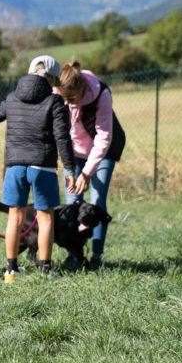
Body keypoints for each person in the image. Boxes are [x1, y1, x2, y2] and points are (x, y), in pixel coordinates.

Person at [0, 55, 76, 282]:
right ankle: (45, 268)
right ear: (52, 78)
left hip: (15, 167)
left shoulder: (12, 98)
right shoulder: (54, 103)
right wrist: (70, 169)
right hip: (42, 167)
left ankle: (11, 269)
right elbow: (63, 137)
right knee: (45, 218)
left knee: (15, 217)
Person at [55, 61, 126, 270]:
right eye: (62, 98)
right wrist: (70, 168)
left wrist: (86, 173)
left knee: (96, 202)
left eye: (71, 98)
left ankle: (96, 255)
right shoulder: (58, 93)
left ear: (82, 88)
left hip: (103, 153)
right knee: (71, 202)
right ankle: (75, 255)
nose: (66, 103)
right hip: (73, 155)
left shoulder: (100, 93)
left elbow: (104, 138)